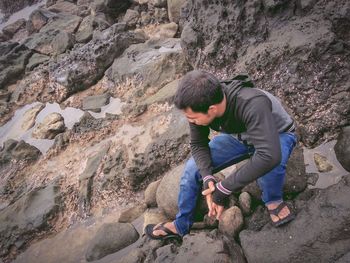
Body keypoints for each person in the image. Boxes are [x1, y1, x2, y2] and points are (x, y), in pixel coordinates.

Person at [145, 70, 297, 240]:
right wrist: (208, 178)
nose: (191, 121)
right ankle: (181, 225)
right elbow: (198, 144)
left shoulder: (252, 103)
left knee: (270, 167)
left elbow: (269, 156)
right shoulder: (198, 104)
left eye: (193, 118)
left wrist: (222, 190)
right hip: (239, 138)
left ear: (212, 109)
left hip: (277, 135)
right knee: (192, 168)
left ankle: (273, 200)